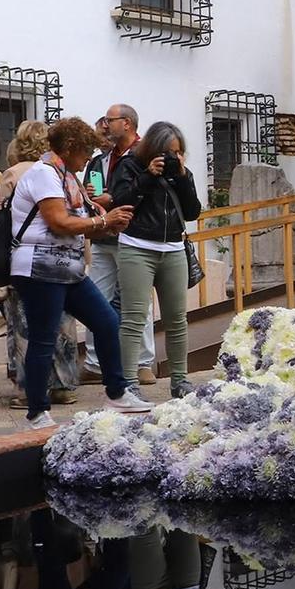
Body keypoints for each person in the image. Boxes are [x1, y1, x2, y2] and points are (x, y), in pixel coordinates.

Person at [8, 117, 153, 428]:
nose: (89, 158)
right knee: (44, 338)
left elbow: (82, 224)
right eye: (86, 151)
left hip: (68, 269)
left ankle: (116, 394)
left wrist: (109, 222)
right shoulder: (45, 174)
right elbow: (59, 222)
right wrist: (103, 222)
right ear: (71, 148)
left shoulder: (67, 176)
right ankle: (37, 412)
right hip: (40, 269)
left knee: (106, 321)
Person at [107, 122, 202, 397]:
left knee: (177, 319)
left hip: (173, 249)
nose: (173, 158)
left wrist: (182, 177)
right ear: (153, 150)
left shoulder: (183, 174)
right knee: (134, 318)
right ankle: (128, 383)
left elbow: (192, 211)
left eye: (178, 152)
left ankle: (180, 381)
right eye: (168, 153)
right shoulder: (130, 167)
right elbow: (120, 201)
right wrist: (147, 177)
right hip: (137, 247)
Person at [0, 122, 78, 408]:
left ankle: (29, 388)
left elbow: (0, 221)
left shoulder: (15, 174)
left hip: (28, 261)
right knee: (62, 322)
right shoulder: (64, 173)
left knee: (24, 325)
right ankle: (64, 385)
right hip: (65, 260)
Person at [84, 104, 153, 385]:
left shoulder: (146, 153)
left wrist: (110, 199)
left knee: (137, 301)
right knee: (95, 297)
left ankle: (143, 363)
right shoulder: (100, 159)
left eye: (109, 120)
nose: (104, 125)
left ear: (126, 123)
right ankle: (94, 363)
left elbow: (147, 193)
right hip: (103, 237)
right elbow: (89, 193)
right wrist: (89, 193)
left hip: (135, 236)